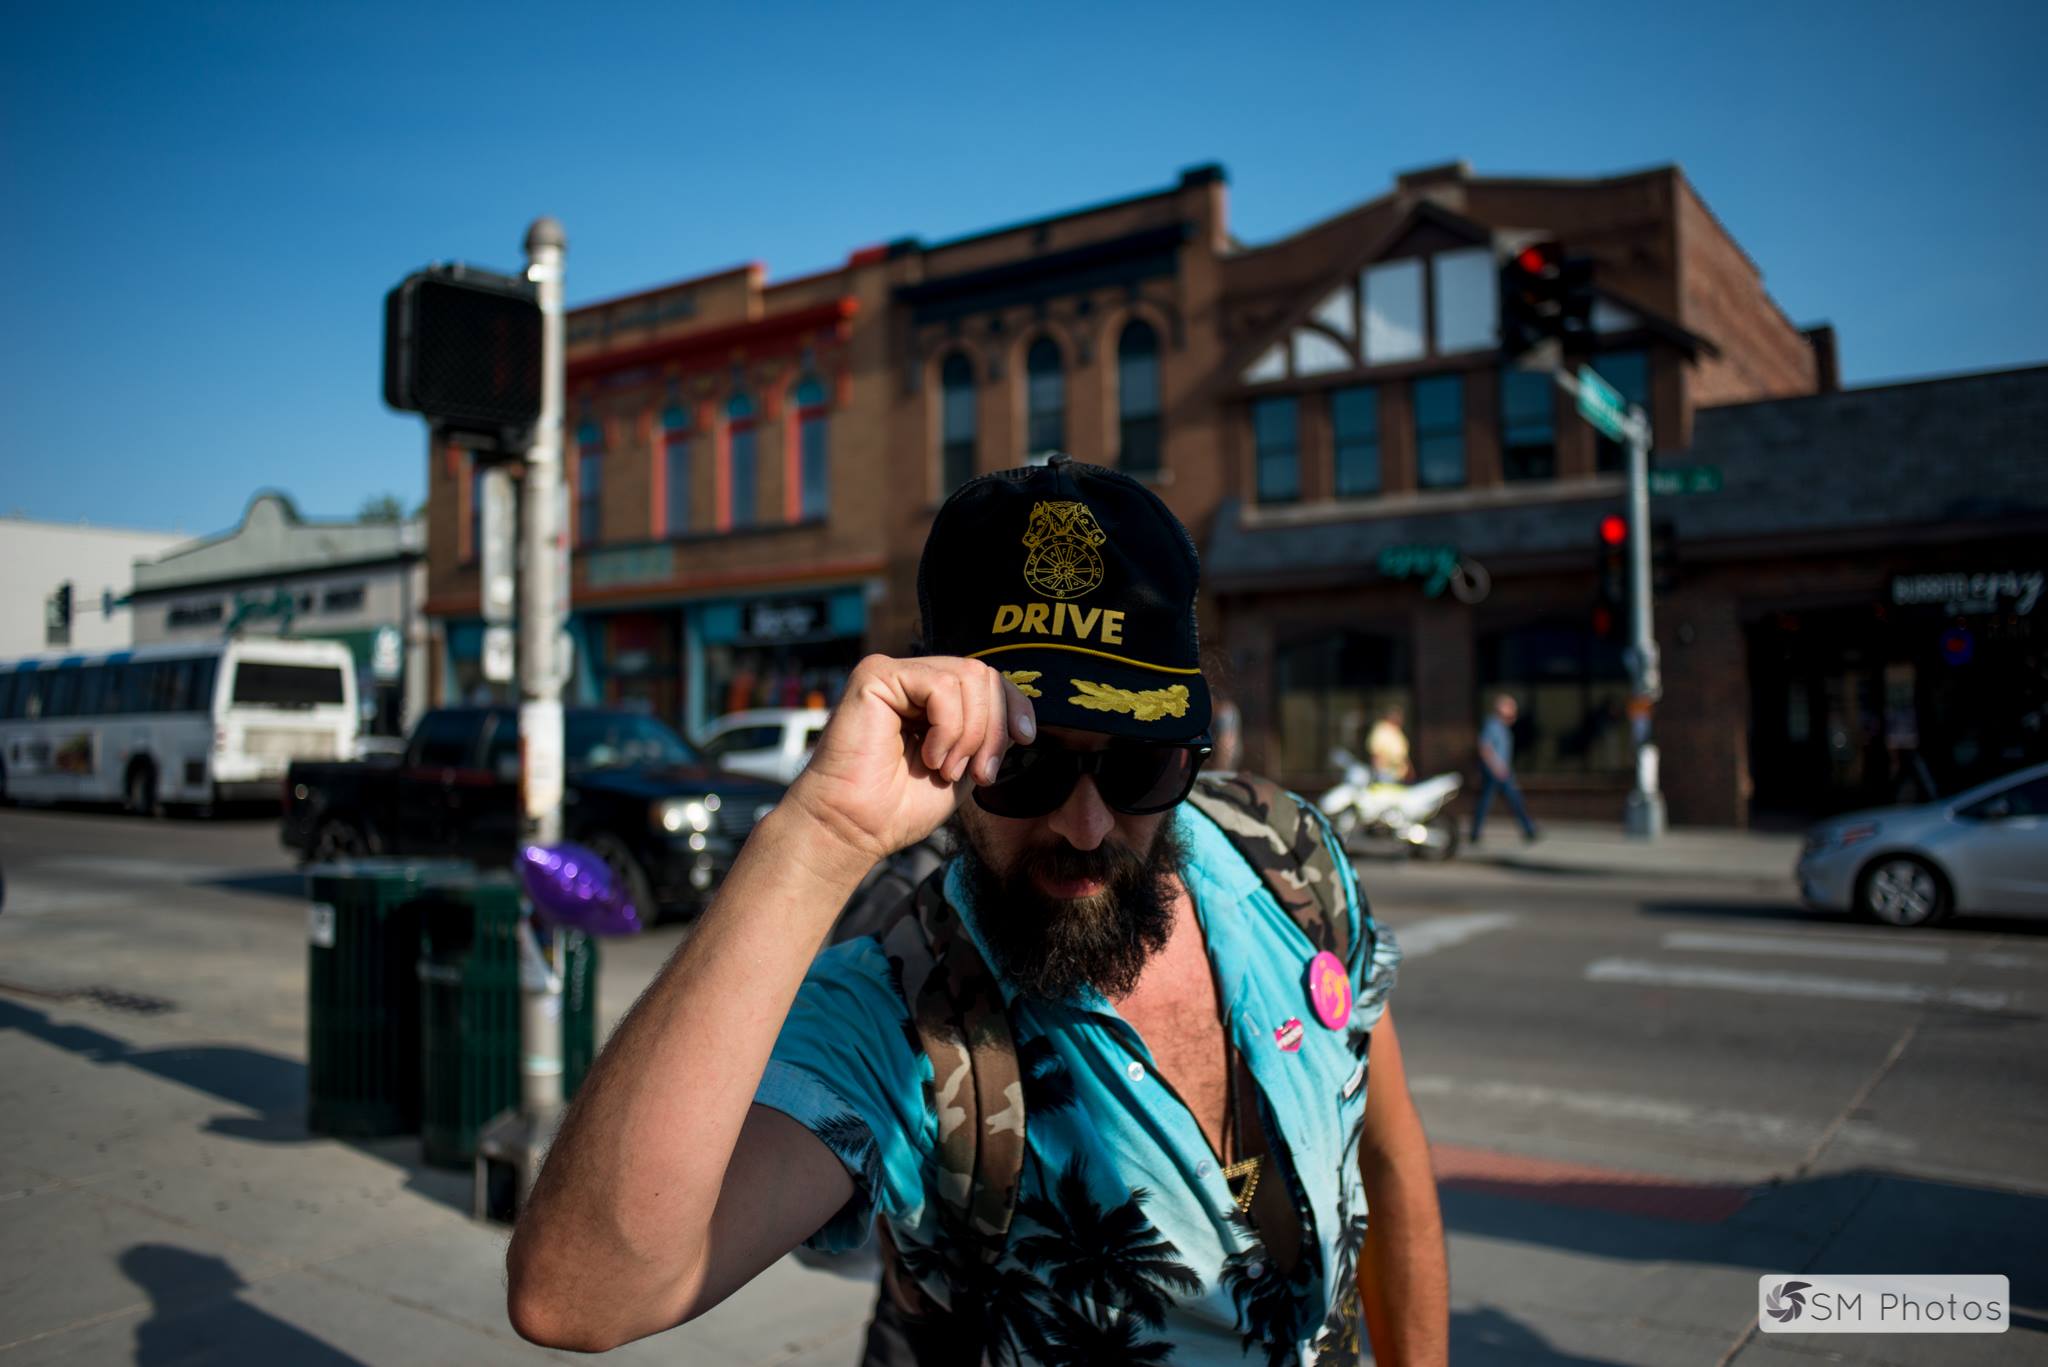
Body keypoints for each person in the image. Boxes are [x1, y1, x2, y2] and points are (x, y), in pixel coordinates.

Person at [507, 456, 1448, 1365]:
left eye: (1137, 762)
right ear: (940, 748)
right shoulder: (902, 1007)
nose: (1086, 824)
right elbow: (581, 1293)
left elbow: (1389, 1160)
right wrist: (821, 832)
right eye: (1026, 766)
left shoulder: (1286, 855)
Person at [1472, 692, 1540, 844]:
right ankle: (1529, 830)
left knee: (1493, 801)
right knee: (1512, 800)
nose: (1513, 711)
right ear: (1502, 708)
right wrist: (1496, 767)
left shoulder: (1502, 726)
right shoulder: (1492, 725)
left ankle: (1475, 833)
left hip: (1502, 770)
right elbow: (1484, 748)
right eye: (1511, 707)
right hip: (1496, 771)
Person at [1367, 704, 1413, 784]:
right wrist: (1378, 773)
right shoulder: (1381, 730)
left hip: (1399, 774)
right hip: (1386, 774)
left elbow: (1403, 755)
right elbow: (1376, 754)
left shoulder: (1396, 731)